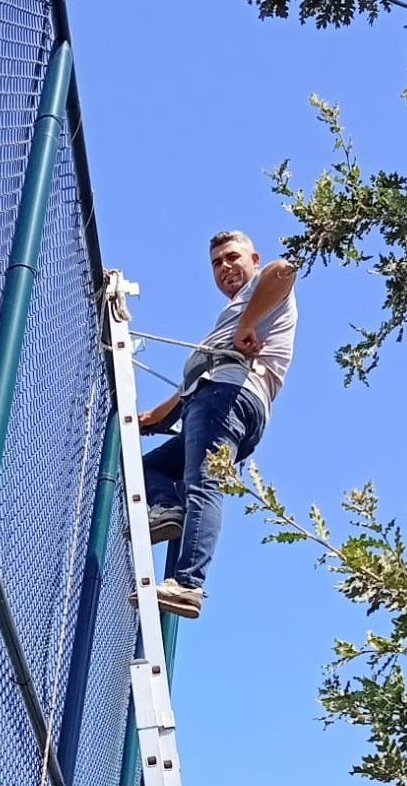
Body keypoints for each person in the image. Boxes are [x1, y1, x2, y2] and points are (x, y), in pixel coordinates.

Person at [136, 230, 298, 618]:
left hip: (227, 397)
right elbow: (204, 373)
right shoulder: (239, 310)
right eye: (216, 263)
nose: (224, 267)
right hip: (214, 398)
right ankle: (168, 510)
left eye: (232, 257)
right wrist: (159, 415)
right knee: (149, 467)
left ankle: (188, 583)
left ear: (254, 260)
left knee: (204, 482)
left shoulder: (264, 290)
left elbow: (286, 270)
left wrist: (246, 324)